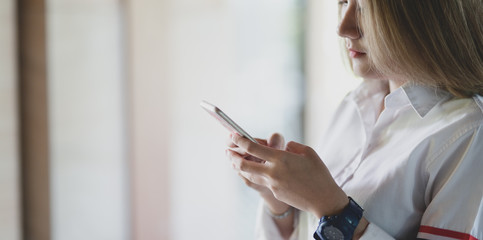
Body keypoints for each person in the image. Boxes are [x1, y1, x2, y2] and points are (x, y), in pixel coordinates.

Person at [226, 0, 483, 239]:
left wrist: (334, 209)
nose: (343, 28)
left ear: (421, 15)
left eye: (364, 8)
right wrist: (280, 201)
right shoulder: (354, 105)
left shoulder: (469, 133)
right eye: (343, 2)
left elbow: (326, 207)